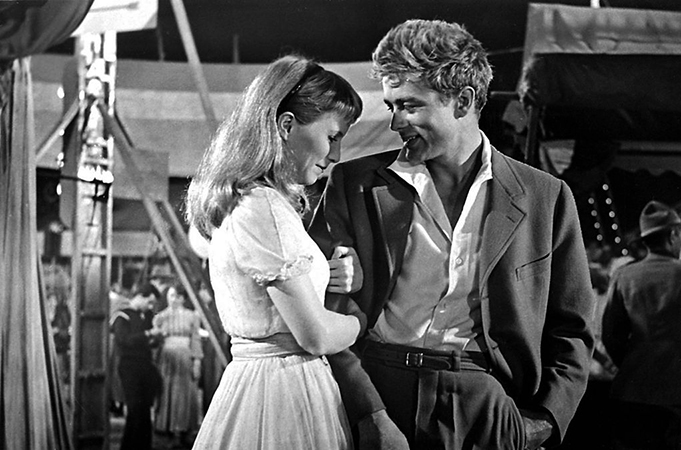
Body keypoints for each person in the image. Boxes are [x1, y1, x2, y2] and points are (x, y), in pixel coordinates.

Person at [309, 19, 595, 450]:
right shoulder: (354, 184)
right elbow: (327, 306)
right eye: (391, 106)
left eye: (409, 105)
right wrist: (369, 412)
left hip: (488, 405)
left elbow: (572, 328)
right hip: (377, 392)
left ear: (463, 100)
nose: (395, 123)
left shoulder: (545, 196)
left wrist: (542, 424)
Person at [185, 54, 366, 449]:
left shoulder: (253, 202)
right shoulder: (263, 206)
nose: (336, 155)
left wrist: (331, 273)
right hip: (283, 391)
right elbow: (315, 335)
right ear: (286, 126)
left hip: (266, 383)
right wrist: (361, 322)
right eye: (333, 136)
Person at [602, 201, 681, 450]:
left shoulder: (623, 277)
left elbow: (611, 336)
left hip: (633, 393)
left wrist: (634, 364)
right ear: (673, 235)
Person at [110, 282, 164, 450]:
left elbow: (147, 342)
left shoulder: (146, 316)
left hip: (145, 366)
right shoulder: (121, 316)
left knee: (145, 412)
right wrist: (148, 334)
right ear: (140, 296)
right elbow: (124, 340)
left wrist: (155, 339)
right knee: (135, 410)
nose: (151, 306)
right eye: (149, 302)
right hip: (129, 368)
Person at [152, 283, 203, 447]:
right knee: (167, 390)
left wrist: (196, 361)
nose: (173, 299)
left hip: (185, 357)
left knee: (184, 392)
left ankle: (183, 429)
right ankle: (167, 430)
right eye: (171, 296)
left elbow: (195, 339)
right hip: (166, 359)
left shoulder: (192, 316)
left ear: (183, 298)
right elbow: (154, 341)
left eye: (177, 296)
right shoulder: (160, 317)